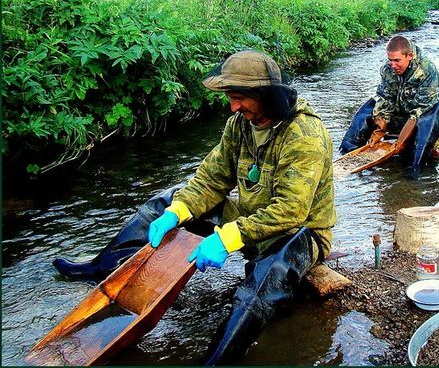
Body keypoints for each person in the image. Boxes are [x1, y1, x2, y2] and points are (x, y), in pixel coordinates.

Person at [53, 50, 336, 365]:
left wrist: (227, 239)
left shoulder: (305, 134)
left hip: (301, 231)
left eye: (240, 98)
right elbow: (211, 180)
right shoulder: (238, 126)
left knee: (270, 272)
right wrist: (178, 212)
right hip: (250, 217)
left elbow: (290, 211)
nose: (233, 106)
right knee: (168, 200)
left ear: (265, 95)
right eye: (231, 97)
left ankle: (218, 359)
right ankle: (104, 269)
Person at [339, 35, 439, 175]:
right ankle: (347, 152)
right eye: (390, 60)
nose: (393, 65)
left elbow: (420, 110)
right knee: (368, 108)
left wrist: (400, 141)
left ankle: (413, 170)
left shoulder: (427, 70)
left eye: (397, 61)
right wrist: (379, 131)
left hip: (418, 120)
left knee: (433, 113)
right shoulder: (387, 69)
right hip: (398, 115)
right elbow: (385, 99)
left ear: (410, 56)